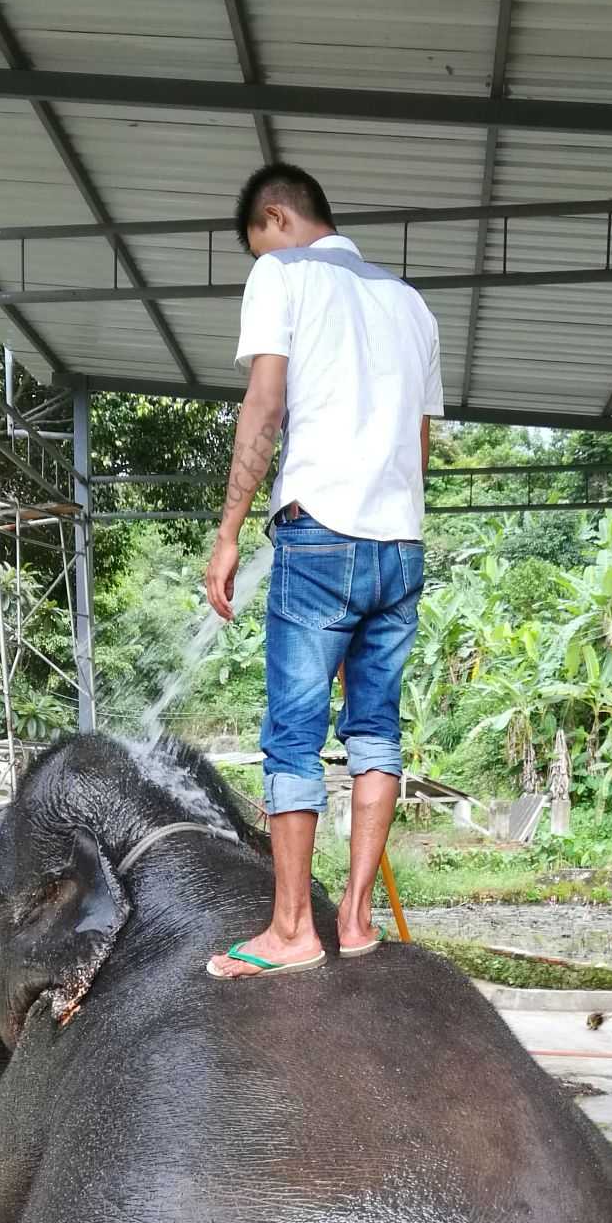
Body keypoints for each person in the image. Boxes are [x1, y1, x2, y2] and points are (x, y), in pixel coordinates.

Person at [202, 163, 443, 978]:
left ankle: (293, 930)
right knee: (377, 730)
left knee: (293, 738)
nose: (256, 259)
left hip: (321, 534)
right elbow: (418, 443)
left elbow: (264, 406)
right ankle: (359, 918)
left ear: (276, 218)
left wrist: (230, 531)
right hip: (400, 543)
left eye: (255, 244)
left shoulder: (283, 273)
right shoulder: (411, 304)